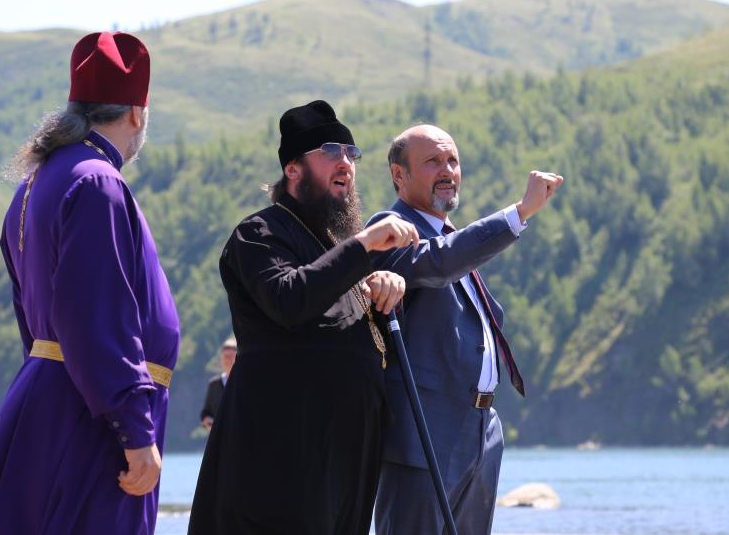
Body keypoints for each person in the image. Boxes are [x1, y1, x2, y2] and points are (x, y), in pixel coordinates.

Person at [0, 32, 180, 535]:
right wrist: (134, 429)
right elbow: (98, 317)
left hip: (58, 398)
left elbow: (32, 320)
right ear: (137, 113)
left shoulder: (35, 185)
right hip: (91, 421)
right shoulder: (98, 182)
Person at [188, 100, 420, 535]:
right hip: (281, 454)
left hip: (346, 455)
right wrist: (363, 246)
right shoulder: (259, 233)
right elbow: (289, 299)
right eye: (331, 151)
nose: (346, 163)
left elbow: (359, 338)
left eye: (352, 153)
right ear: (293, 169)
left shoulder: (337, 249)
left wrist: (385, 289)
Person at [369, 124, 562, 535]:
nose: (447, 170)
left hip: (480, 431)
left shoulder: (450, 237)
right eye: (432, 161)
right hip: (425, 432)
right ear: (399, 175)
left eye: (452, 161)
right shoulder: (391, 228)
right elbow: (439, 262)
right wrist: (518, 213)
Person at [200, 337, 237, 429]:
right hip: (219, 435)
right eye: (225, 357)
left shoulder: (245, 384)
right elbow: (206, 413)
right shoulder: (213, 384)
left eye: (231, 357)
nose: (228, 360)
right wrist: (207, 420)